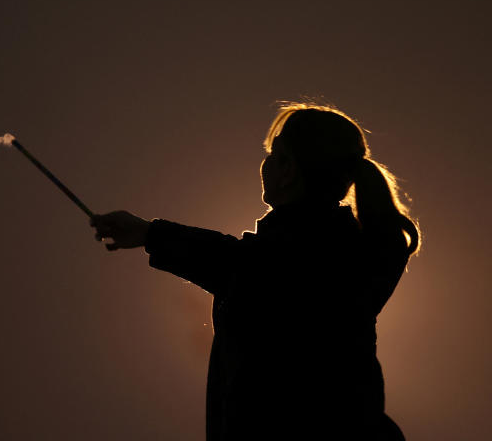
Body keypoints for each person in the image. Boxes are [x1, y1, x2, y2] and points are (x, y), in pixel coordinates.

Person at [90, 103, 419, 441]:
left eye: (272, 154)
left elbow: (242, 264)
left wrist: (149, 233)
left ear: (288, 169)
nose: (265, 165)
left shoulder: (308, 255)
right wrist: (150, 234)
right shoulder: (343, 251)